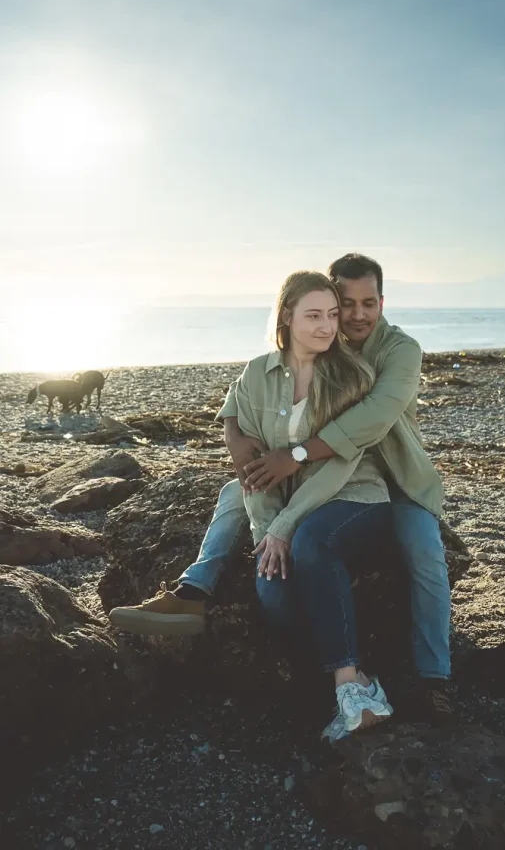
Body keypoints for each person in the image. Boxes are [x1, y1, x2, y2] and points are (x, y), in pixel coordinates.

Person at [109, 253, 453, 725]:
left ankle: (434, 678)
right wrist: (235, 434)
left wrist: (290, 461)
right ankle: (195, 589)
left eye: (365, 304)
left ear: (381, 302)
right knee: (236, 492)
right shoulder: (307, 350)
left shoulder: (393, 352)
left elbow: (370, 420)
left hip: (390, 473)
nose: (351, 317)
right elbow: (247, 390)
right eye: (340, 305)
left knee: (425, 554)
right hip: (315, 471)